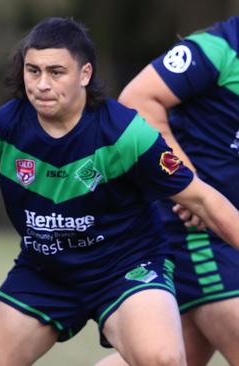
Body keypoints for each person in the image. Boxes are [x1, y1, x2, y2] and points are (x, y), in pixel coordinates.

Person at [0, 17, 239, 366]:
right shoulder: (6, 126)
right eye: (33, 71)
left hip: (125, 268)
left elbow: (202, 199)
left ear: (84, 74)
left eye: (56, 72)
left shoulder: (126, 134)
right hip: (44, 270)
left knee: (164, 359)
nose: (42, 85)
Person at [96, 16, 239, 366]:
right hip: (200, 232)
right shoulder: (218, 50)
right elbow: (136, 100)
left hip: (229, 229)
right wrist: (191, 182)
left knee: (177, 357)